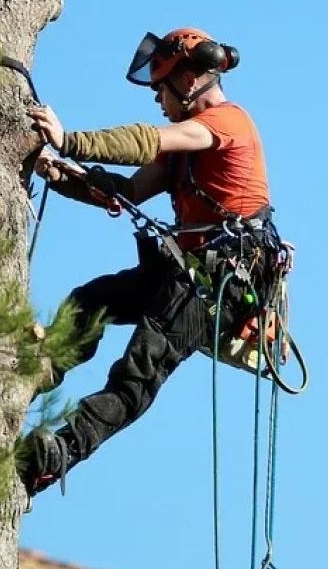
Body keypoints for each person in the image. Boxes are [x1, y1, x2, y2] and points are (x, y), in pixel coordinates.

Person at [20, 26, 284, 497]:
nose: (157, 99)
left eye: (161, 88)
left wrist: (70, 140)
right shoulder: (185, 154)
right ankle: (40, 368)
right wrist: (60, 174)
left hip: (222, 281)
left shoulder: (227, 124)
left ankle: (60, 454)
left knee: (140, 367)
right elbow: (125, 190)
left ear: (188, 82)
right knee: (92, 300)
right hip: (186, 273)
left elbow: (146, 141)